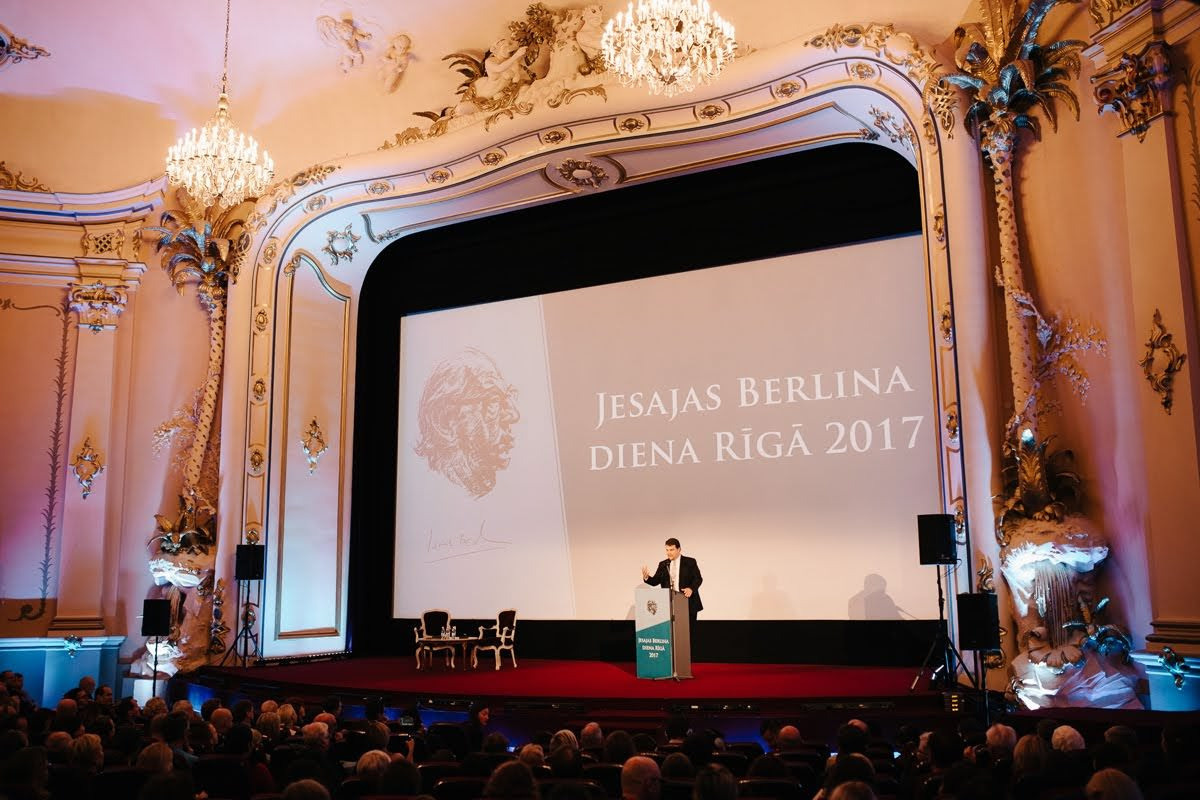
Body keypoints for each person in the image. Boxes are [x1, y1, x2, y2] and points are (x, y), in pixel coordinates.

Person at [641, 538, 703, 623]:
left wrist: (691, 589)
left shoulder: (690, 562)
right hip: (669, 603)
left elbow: (698, 579)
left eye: (671, 550)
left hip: (687, 601)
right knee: (671, 631)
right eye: (667, 550)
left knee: (689, 632)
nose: (668, 552)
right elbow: (655, 581)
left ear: (679, 549)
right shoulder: (663, 564)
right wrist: (647, 578)